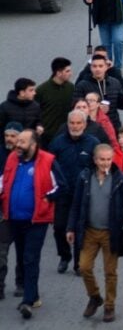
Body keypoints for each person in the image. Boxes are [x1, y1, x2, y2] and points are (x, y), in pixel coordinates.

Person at [1, 129, 63, 319]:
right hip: (14, 219)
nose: (18, 145)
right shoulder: (12, 158)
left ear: (34, 144)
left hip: (37, 220)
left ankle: (27, 301)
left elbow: (62, 186)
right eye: (18, 141)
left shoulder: (48, 160)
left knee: (30, 258)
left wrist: (47, 198)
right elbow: (5, 180)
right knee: (21, 257)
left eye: (22, 142)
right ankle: (33, 295)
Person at [66, 144, 123, 323]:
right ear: (95, 160)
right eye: (102, 159)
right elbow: (76, 204)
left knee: (110, 272)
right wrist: (71, 228)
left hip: (111, 233)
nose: (105, 163)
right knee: (84, 266)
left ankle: (109, 306)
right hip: (90, 231)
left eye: (109, 159)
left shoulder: (121, 180)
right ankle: (95, 297)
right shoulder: (84, 177)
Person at [48, 110, 99, 276]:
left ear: (84, 124)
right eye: (72, 123)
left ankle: (79, 263)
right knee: (59, 227)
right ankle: (64, 256)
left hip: (84, 194)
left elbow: (100, 167)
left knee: (80, 229)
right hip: (63, 193)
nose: (75, 126)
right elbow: (48, 167)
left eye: (78, 123)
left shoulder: (93, 143)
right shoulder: (57, 143)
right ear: (68, 124)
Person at [74, 54, 123, 130]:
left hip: (113, 127)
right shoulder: (82, 85)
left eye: (100, 66)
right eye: (94, 66)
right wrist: (96, 108)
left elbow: (121, 104)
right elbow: (76, 108)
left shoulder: (115, 83)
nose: (97, 69)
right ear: (91, 68)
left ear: (106, 67)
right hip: (91, 129)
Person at [0, 122, 23, 300]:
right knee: (2, 251)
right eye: (7, 135)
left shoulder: (27, 155)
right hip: (4, 212)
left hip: (23, 211)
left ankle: (21, 284)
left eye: (13, 136)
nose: (9, 139)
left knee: (23, 252)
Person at [35, 57, 74, 148]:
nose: (71, 74)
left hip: (66, 135)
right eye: (67, 71)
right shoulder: (42, 90)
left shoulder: (71, 88)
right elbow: (35, 112)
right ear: (58, 73)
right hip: (46, 137)